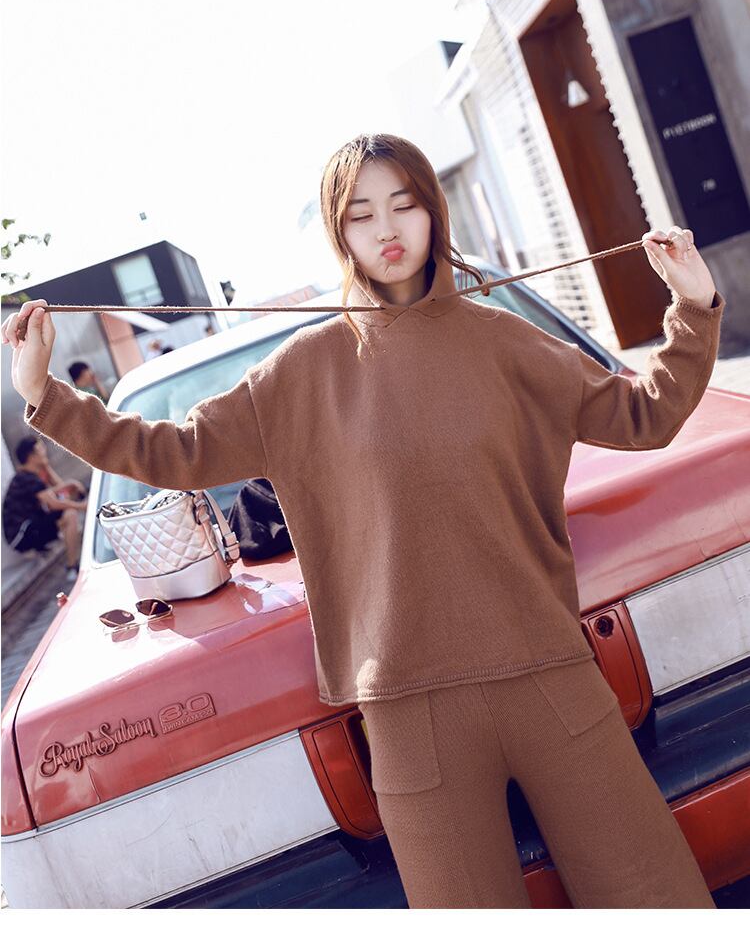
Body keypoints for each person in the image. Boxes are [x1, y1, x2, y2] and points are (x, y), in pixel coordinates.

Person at [2, 133, 725, 908]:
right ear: (337, 231)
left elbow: (645, 415)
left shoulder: (506, 341)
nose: (387, 228)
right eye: (361, 213)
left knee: (655, 897)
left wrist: (694, 305)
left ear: (433, 210)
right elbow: (170, 450)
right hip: (409, 716)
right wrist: (44, 393)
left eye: (404, 204)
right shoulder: (302, 371)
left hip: (550, 674)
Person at [2, 435, 87, 581]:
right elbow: (54, 503)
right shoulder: (26, 478)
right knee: (70, 514)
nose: (44, 451)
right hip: (21, 535)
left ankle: (72, 562)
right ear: (31, 456)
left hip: (30, 526)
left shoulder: (32, 475)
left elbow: (62, 493)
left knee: (68, 512)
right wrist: (82, 506)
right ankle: (72, 567)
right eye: (40, 448)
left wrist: (47, 468)